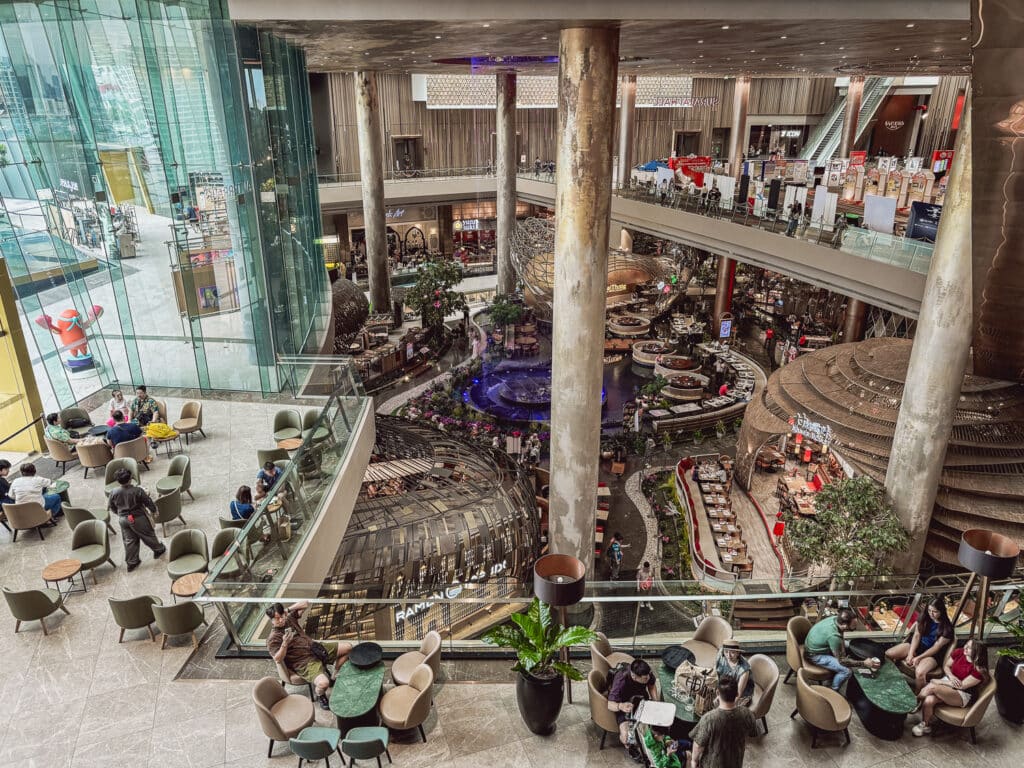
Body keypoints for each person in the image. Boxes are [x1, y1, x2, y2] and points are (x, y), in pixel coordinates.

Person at [266, 601, 353, 710]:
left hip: (315, 647)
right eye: (277, 618)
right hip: (304, 662)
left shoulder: (289, 619)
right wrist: (285, 643)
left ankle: (333, 677)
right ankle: (320, 694)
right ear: (271, 620)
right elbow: (277, 659)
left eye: (281, 616)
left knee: (348, 648)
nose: (281, 620)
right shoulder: (273, 638)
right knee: (323, 683)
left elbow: (305, 603)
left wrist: (287, 610)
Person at [913, 639, 988, 736]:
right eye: (966, 644)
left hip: (962, 694)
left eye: (969, 648)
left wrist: (938, 681)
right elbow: (947, 666)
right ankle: (925, 725)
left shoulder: (978, 670)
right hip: (948, 682)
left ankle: (914, 702)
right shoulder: (959, 652)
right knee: (929, 700)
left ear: (977, 653)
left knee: (932, 687)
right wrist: (952, 677)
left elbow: (961, 685)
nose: (965, 647)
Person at [885, 597, 955, 692]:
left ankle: (919, 696)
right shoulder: (924, 617)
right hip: (918, 645)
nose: (931, 614)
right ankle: (892, 681)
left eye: (935, 611)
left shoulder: (947, 629)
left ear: (941, 611)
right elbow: (917, 635)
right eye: (929, 610)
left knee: (920, 672)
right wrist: (910, 653)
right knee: (889, 654)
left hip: (933, 654)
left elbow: (936, 648)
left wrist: (919, 658)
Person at [804, 607, 880, 691]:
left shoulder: (835, 619)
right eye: (853, 627)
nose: (855, 628)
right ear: (844, 625)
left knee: (848, 647)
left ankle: (834, 674)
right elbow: (842, 661)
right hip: (814, 655)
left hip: (817, 644)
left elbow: (840, 636)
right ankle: (833, 690)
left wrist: (843, 649)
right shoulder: (834, 637)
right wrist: (864, 663)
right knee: (846, 671)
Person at [689, 676, 757, 768]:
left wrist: (693, 761)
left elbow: (698, 745)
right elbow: (751, 734)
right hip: (735, 763)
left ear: (717, 693)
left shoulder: (709, 719)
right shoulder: (747, 714)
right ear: (737, 694)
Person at [106, 468, 164, 570]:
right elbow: (148, 502)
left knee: (129, 540)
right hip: (138, 518)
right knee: (148, 536)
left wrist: (119, 514)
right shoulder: (138, 491)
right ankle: (159, 549)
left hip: (123, 520)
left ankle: (132, 562)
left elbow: (112, 507)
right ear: (130, 479)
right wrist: (154, 511)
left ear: (118, 481)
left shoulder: (113, 492)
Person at [607, 659, 658, 747]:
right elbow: (610, 704)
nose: (648, 678)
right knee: (626, 738)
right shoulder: (621, 681)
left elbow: (651, 686)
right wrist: (620, 706)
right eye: (645, 678)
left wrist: (656, 701)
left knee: (656, 729)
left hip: (641, 700)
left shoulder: (647, 673)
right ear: (634, 676)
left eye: (649, 676)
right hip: (624, 705)